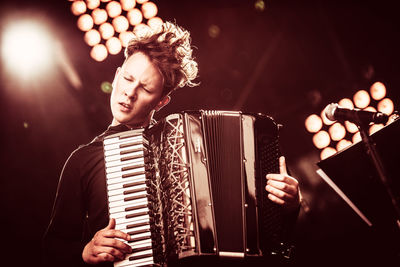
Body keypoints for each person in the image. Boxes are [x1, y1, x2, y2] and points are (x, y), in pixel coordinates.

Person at [42, 21, 300, 267]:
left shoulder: (187, 141)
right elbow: (51, 250)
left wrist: (289, 205)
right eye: (129, 79)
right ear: (118, 75)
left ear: (161, 102)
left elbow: (270, 241)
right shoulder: (83, 160)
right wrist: (85, 252)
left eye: (145, 88)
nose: (130, 93)